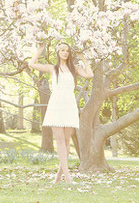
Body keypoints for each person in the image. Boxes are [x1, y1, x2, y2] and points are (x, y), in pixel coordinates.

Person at [28, 41, 93, 185]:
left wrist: (83, 58)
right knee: (59, 140)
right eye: (62, 50)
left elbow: (89, 75)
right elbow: (32, 64)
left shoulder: (74, 68)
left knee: (67, 140)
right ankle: (68, 177)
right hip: (56, 105)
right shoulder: (53, 68)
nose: (65, 52)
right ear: (58, 52)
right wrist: (40, 50)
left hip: (69, 104)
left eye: (67, 50)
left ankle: (58, 177)